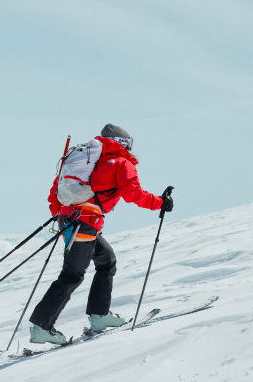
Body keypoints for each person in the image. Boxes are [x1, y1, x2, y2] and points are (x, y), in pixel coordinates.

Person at [29, 123, 174, 345]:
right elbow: (133, 194)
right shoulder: (120, 163)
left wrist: (64, 217)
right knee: (72, 275)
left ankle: (99, 316)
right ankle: (42, 326)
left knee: (106, 261)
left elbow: (54, 194)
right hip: (85, 222)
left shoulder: (81, 162)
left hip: (72, 221)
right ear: (123, 144)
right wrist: (161, 203)